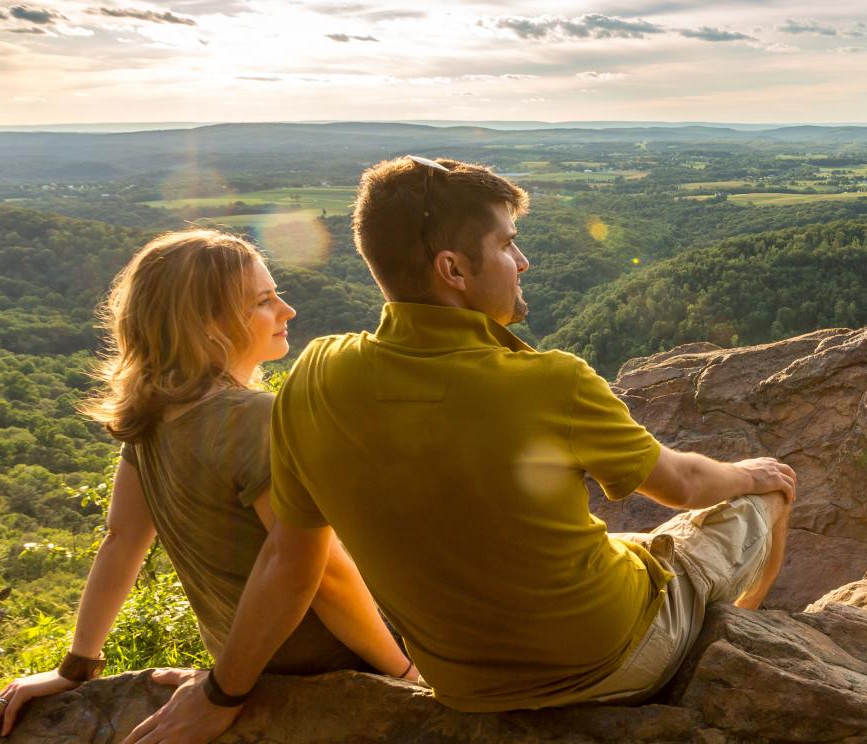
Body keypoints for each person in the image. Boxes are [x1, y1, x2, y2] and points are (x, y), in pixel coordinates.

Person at [121, 157, 796, 743]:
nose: (524, 261)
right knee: (766, 495)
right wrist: (751, 472)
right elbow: (679, 483)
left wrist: (221, 696)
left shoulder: (316, 379)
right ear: (453, 269)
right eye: (507, 244)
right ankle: (729, 656)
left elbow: (291, 566)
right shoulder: (553, 380)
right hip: (617, 656)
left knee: (639, 545)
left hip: (464, 685)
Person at [0, 230, 417, 744]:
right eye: (264, 301)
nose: (287, 310)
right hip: (339, 660)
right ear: (207, 326)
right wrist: (402, 675)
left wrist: (78, 665)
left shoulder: (153, 419)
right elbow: (319, 571)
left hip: (252, 667)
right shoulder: (259, 420)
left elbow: (122, 541)